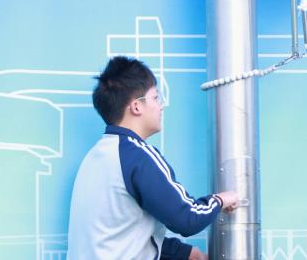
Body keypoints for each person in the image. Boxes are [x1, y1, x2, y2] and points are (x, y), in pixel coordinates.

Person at [67, 56, 240, 260]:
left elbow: (120, 235)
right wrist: (220, 200)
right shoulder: (138, 156)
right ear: (136, 106)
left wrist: (184, 253)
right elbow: (187, 218)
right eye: (156, 97)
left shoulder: (96, 157)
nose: (161, 106)